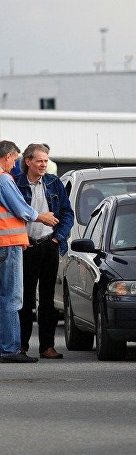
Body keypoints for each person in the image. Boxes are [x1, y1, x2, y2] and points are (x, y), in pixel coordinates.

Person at [0, 140, 58, 363]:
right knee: (12, 298)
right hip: (10, 244)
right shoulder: (4, 179)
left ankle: (8, 346)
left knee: (6, 297)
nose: (14, 163)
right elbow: (19, 208)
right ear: (7, 157)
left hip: (8, 244)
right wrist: (40, 216)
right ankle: (10, 348)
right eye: (14, 158)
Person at [15, 143, 74, 360]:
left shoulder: (53, 182)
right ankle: (20, 346)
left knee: (48, 299)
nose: (43, 165)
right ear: (28, 161)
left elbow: (68, 213)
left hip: (49, 245)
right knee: (25, 299)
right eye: (39, 160)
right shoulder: (16, 184)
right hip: (25, 247)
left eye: (46, 161)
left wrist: (59, 237)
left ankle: (47, 347)